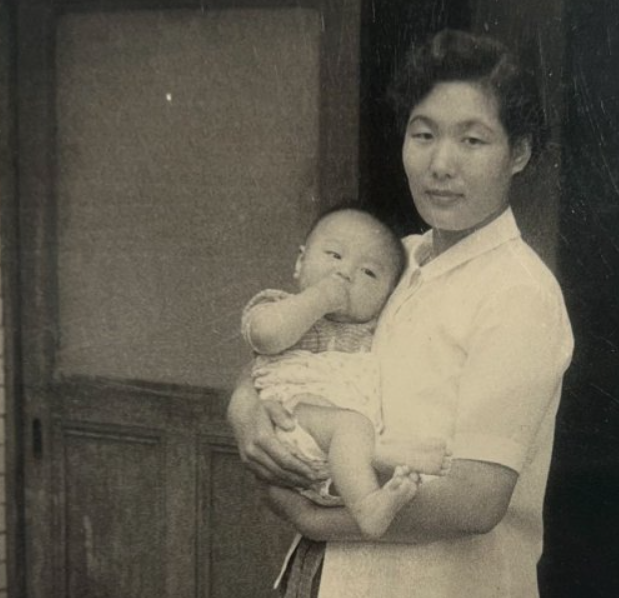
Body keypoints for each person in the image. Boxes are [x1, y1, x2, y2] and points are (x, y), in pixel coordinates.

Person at [228, 29, 574, 597]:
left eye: (472, 140)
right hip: (329, 577)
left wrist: (315, 520)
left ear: (519, 153)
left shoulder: (519, 294)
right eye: (424, 134)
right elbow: (300, 348)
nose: (441, 164)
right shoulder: (393, 262)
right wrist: (244, 411)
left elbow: (475, 500)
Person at [241, 207, 450, 539]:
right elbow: (266, 336)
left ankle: (390, 465)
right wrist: (319, 298)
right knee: (351, 427)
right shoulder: (278, 305)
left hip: (342, 460)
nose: (345, 273)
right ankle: (368, 508)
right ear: (300, 262)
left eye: (368, 273)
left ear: (386, 298)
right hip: (294, 423)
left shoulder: (374, 332)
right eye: (335, 255)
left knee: (358, 431)